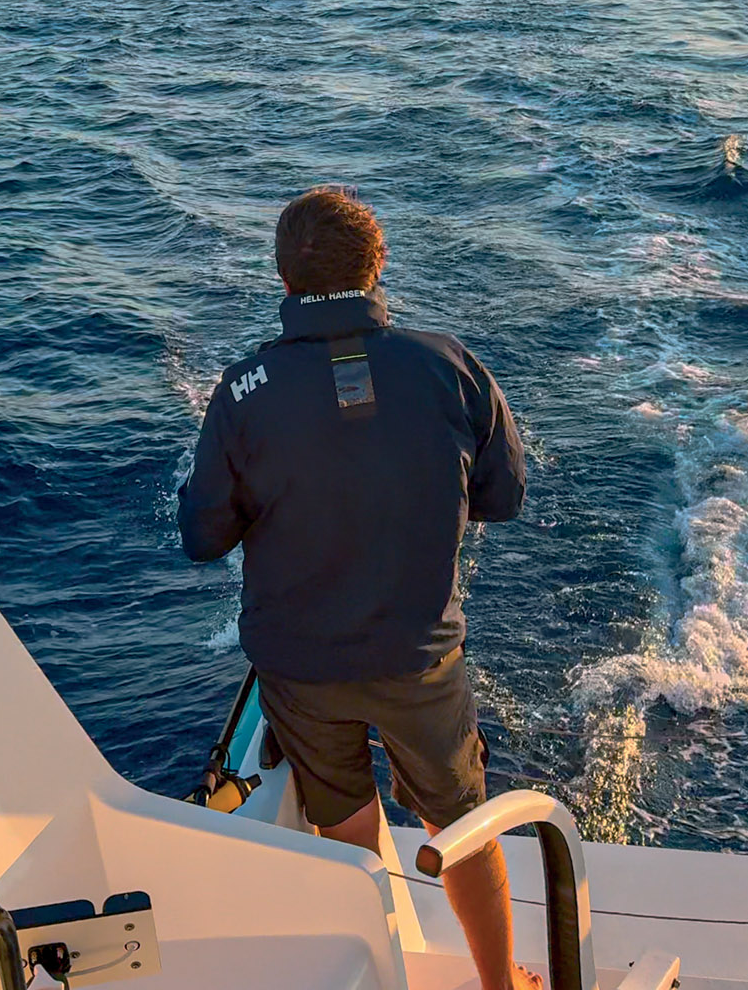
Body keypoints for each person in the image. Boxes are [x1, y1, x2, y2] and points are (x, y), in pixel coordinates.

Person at [178, 185, 541, 990]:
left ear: (282, 281)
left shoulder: (240, 395)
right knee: (462, 825)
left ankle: (384, 968)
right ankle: (500, 983)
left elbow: (203, 538)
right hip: (420, 661)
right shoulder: (451, 366)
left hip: (301, 671)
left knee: (345, 826)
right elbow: (503, 496)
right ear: (379, 267)